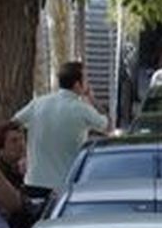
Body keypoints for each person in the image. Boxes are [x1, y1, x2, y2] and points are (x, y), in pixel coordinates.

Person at [12, 61, 108, 192]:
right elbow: (107, 126)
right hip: (65, 185)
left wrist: (23, 154)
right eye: (86, 79)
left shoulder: (38, 103)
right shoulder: (82, 109)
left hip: (34, 182)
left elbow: (13, 123)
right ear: (77, 85)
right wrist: (91, 99)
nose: (88, 83)